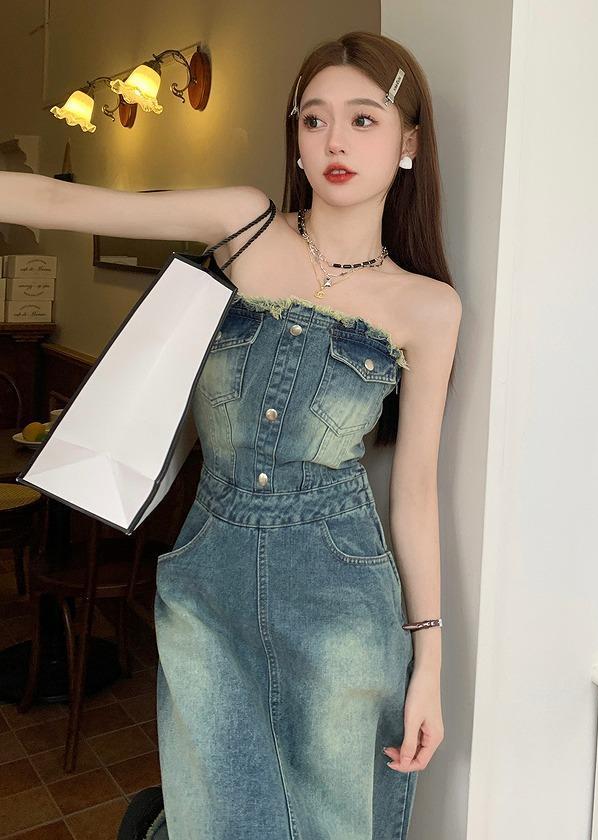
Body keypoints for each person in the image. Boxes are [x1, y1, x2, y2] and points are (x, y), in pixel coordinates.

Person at [2, 29, 461, 840]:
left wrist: (430, 663)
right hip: (207, 579)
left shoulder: (428, 307)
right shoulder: (244, 225)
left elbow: (416, 489)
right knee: (213, 819)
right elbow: (67, 204)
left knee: (331, 826)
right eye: (314, 119)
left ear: (409, 144)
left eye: (363, 119)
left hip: (340, 597)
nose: (335, 141)